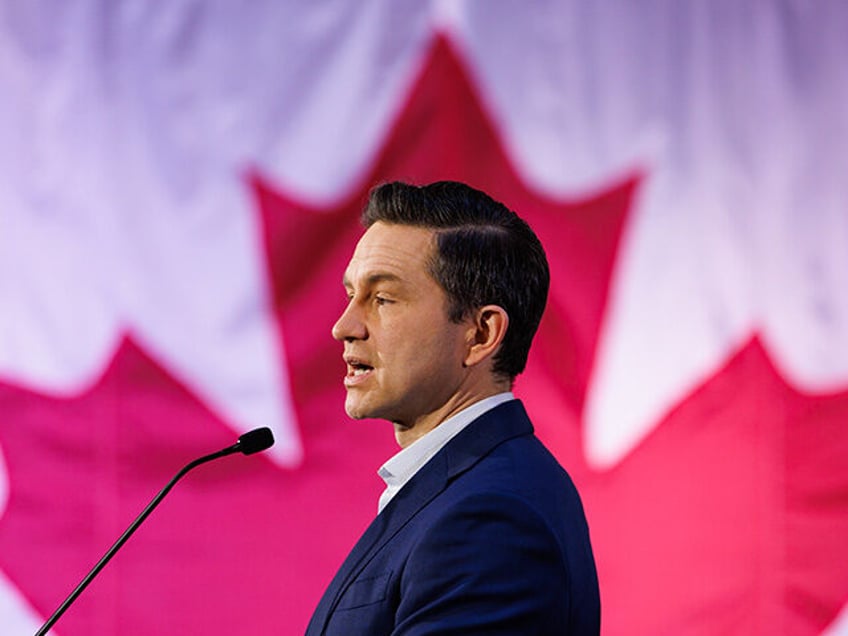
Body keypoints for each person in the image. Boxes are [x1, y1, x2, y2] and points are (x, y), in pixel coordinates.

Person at [305, 180, 600, 635]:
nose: (344, 326)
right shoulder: (462, 492)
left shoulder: (491, 518)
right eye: (351, 295)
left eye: (382, 299)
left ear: (480, 335)